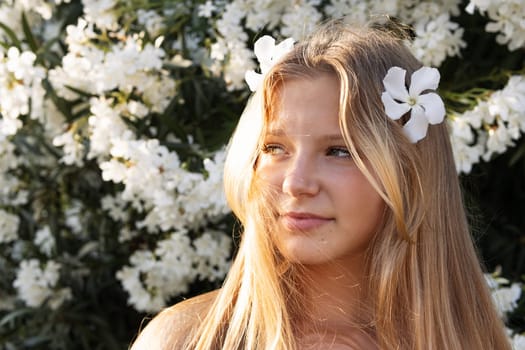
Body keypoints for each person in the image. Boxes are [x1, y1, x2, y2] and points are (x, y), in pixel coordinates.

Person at [130, 17, 512, 350]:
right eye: (275, 148)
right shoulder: (184, 340)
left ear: (410, 173)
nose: (296, 183)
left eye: (339, 151)